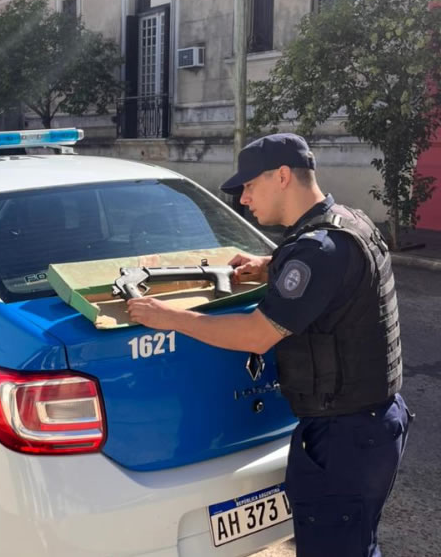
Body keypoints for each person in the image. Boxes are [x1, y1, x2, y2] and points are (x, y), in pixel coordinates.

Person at [127, 133, 411, 557]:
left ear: (281, 176)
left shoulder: (317, 251)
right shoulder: (350, 222)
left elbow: (257, 335)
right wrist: (268, 266)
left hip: (345, 436)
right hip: (373, 425)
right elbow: (331, 279)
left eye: (249, 186)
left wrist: (165, 318)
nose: (243, 199)